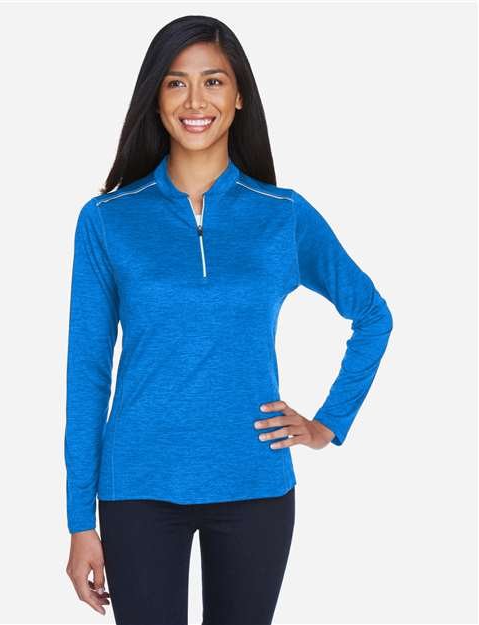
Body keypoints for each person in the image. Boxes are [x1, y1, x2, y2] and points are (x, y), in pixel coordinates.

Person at [64, 14, 393, 625]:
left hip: (254, 485)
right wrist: (80, 520)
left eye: (213, 81)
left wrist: (326, 425)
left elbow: (373, 315)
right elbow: (87, 374)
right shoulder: (107, 220)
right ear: (155, 98)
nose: (195, 101)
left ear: (239, 96)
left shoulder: (282, 215)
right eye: (176, 83)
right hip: (137, 485)